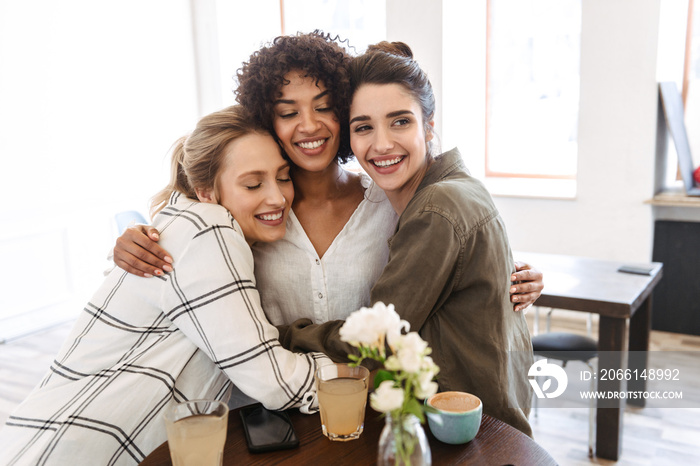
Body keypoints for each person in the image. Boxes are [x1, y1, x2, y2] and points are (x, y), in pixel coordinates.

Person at [112, 32, 544, 326]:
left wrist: (518, 274)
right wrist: (136, 237)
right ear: (267, 119)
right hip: (268, 414)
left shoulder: (389, 203)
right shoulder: (251, 207)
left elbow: (455, 248)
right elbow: (185, 227)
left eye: (323, 107)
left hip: (370, 411)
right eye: (287, 112)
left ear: (345, 112)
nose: (309, 126)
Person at [0, 105, 330, 465]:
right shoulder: (210, 228)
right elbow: (272, 380)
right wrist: (360, 375)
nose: (278, 197)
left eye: (283, 177)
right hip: (81, 446)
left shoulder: (186, 222)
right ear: (205, 190)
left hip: (60, 433)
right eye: (253, 183)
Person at [278, 41, 535, 436]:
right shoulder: (450, 190)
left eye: (400, 121)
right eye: (364, 126)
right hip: (480, 421)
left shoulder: (437, 207)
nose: (381, 144)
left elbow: (377, 339)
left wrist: (286, 334)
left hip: (473, 434)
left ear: (429, 125)